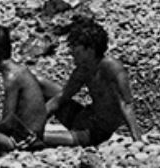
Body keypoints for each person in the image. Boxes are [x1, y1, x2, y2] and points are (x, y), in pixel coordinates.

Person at [41, 17, 144, 147]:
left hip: (93, 133)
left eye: (76, 50)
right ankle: (22, 126)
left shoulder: (111, 67)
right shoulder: (82, 70)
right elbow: (62, 97)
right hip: (82, 117)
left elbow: (126, 104)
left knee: (40, 139)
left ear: (89, 50)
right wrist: (37, 123)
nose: (71, 53)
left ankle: (25, 135)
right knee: (39, 83)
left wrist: (138, 141)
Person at [0, 21, 57, 155]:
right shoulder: (20, 70)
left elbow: (8, 121)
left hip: (26, 139)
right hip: (35, 133)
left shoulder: (11, 77)